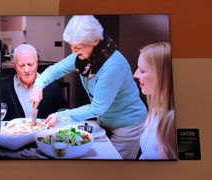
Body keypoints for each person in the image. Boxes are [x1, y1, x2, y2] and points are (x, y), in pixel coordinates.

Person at [30, 15, 147, 159]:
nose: (73, 51)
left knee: (116, 171)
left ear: (95, 41)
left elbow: (97, 107)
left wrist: (60, 116)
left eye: (77, 47)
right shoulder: (83, 56)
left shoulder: (113, 66)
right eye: (71, 45)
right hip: (104, 122)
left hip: (127, 127)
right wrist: (38, 86)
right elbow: (55, 70)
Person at [1, 44, 67, 121]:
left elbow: (64, 114)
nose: (26, 70)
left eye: (30, 64)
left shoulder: (52, 85)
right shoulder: (3, 87)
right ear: (14, 66)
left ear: (37, 63)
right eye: (22, 65)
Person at [134, 42, 177, 159]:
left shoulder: (172, 123)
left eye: (142, 71)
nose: (135, 75)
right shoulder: (155, 109)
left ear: (162, 75)